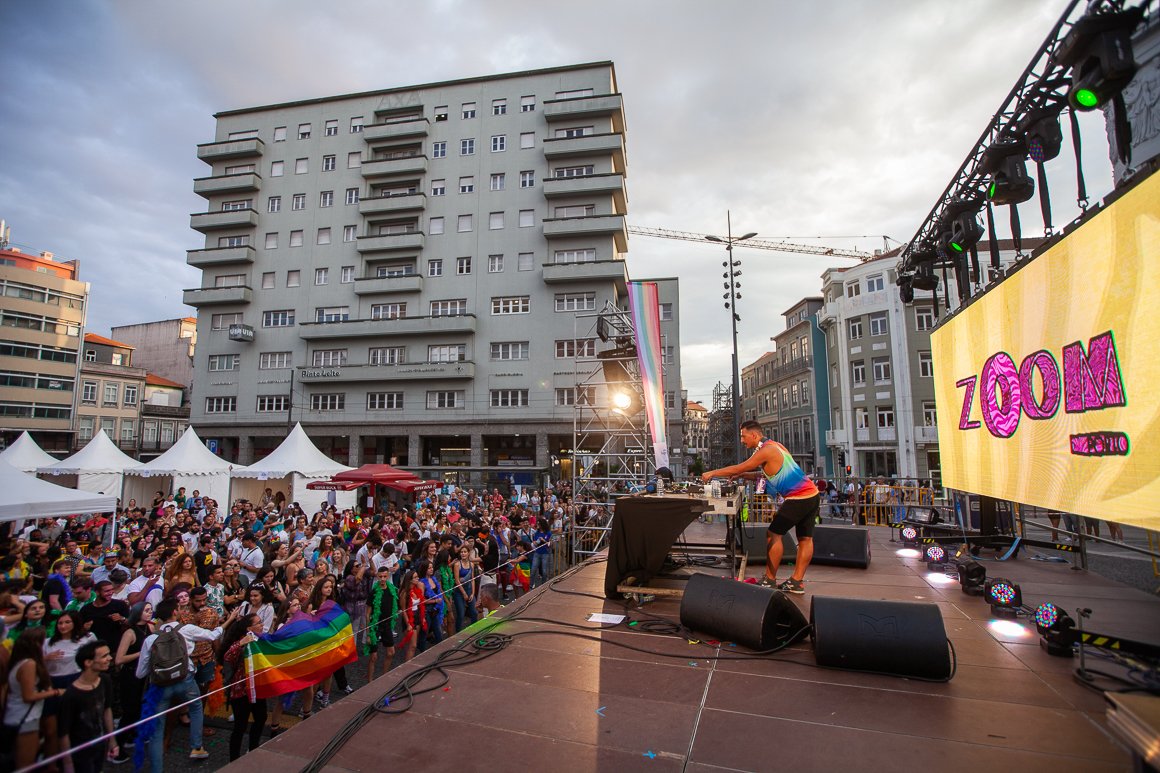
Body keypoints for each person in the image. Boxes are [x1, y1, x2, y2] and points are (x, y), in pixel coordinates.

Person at [702, 420, 820, 594]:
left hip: (798, 498)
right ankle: (796, 582)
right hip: (812, 495)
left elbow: (740, 465)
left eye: (743, 436)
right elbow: (766, 472)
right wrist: (744, 475)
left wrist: (713, 473)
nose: (742, 440)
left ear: (754, 435)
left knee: (773, 534)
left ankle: (769, 580)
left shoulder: (766, 450)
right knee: (805, 539)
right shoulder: (776, 446)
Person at [135, 597, 234, 768]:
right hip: (185, 679)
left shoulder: (151, 639)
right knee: (195, 708)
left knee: (157, 727)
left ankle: (156, 767)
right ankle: (196, 746)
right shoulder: (186, 629)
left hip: (160, 685)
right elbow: (212, 635)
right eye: (180, 608)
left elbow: (140, 673)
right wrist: (229, 620)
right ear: (175, 612)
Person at [4, 628, 66, 771]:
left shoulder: (21, 662)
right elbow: (29, 696)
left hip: (20, 717)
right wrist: (56, 692)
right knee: (25, 766)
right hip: (25, 719)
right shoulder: (29, 664)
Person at [57, 640, 118, 773]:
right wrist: (68, 764)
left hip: (99, 745)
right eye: (104, 656)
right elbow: (63, 733)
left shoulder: (105, 680)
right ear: (88, 662)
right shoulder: (71, 695)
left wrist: (112, 740)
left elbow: (107, 710)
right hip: (79, 752)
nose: (110, 658)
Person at [219, 612, 267, 761]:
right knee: (240, 726)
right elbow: (227, 656)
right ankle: (234, 759)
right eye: (258, 623)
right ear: (249, 628)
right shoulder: (240, 642)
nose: (262, 625)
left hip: (257, 688)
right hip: (240, 691)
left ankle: (253, 749)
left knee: (261, 718)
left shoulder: (262, 639)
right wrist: (241, 643)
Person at [113, 602, 153, 763]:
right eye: (147, 610)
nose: (150, 613)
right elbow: (119, 659)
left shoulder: (150, 627)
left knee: (139, 706)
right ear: (138, 613)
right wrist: (142, 652)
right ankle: (116, 745)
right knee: (130, 710)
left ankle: (133, 735)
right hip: (130, 675)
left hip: (144, 674)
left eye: (151, 610)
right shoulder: (129, 633)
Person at [365, 565, 398, 681]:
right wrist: (369, 633)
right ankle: (370, 681)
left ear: (388, 576)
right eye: (380, 577)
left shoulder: (392, 590)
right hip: (375, 626)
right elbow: (367, 613)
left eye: (385, 576)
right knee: (373, 657)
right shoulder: (374, 592)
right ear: (377, 577)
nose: (383, 579)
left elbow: (394, 607)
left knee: (391, 652)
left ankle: (384, 677)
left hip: (387, 625)